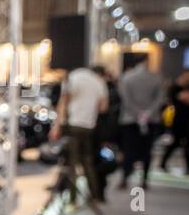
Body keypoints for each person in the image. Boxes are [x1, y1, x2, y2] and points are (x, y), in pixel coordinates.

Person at [49, 64, 109, 202]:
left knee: (72, 163)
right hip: (89, 126)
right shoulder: (99, 82)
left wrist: (57, 126)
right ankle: (94, 195)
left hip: (73, 125)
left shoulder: (73, 78)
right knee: (87, 161)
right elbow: (103, 107)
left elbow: (63, 103)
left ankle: (72, 198)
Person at [117, 59, 164, 188]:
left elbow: (125, 99)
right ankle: (144, 180)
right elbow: (160, 98)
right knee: (147, 149)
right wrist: (147, 113)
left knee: (128, 150)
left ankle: (124, 179)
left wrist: (137, 113)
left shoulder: (127, 77)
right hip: (151, 119)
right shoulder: (156, 78)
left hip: (129, 119)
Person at [159, 71, 189, 172]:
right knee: (175, 143)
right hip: (179, 120)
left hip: (185, 120)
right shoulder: (176, 88)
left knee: (185, 145)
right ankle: (162, 163)